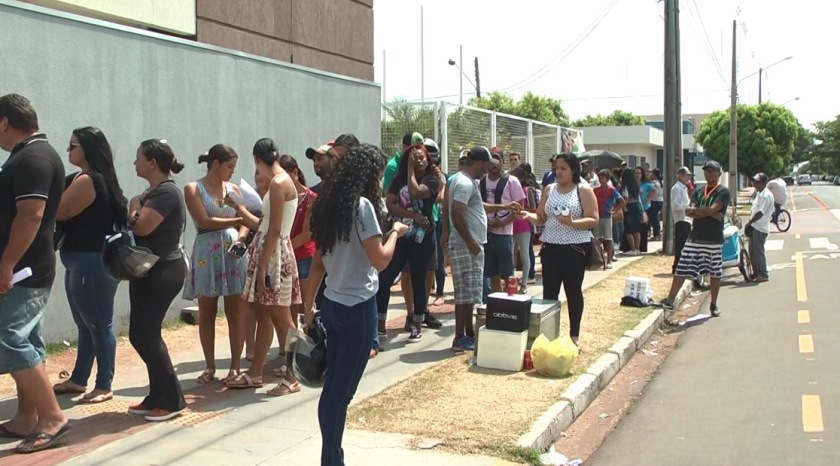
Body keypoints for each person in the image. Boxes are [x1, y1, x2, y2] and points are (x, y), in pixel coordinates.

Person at [303, 143, 408, 466]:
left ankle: (331, 457)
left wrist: (308, 308)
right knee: (340, 394)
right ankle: (332, 461)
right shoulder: (361, 206)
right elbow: (379, 260)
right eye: (378, 175)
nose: (380, 181)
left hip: (331, 303)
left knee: (332, 389)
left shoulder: (327, 204)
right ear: (368, 174)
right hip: (357, 307)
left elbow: (318, 263)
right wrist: (396, 234)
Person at [0, 93, 69, 453]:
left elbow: (31, 216)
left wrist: (6, 264)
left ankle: (53, 416)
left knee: (11, 339)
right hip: (25, 267)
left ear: (5, 122)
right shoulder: (28, 156)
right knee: (27, 340)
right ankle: (27, 417)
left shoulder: (34, 158)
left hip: (24, 269)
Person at [53, 127, 127, 404]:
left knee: (98, 324)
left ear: (87, 148)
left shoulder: (87, 180)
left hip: (90, 261)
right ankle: (79, 378)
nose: (68, 151)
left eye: (72, 146)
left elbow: (61, 210)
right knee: (86, 325)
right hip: (82, 260)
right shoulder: (94, 178)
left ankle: (104, 384)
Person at [226, 138, 302, 397]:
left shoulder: (279, 184)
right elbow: (265, 224)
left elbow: (275, 230)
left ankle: (293, 376)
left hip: (274, 256)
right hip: (269, 251)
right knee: (264, 314)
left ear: (257, 159)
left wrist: (262, 270)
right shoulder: (278, 183)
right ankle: (256, 371)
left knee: (283, 318)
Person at [127, 139, 188, 422]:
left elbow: (140, 226)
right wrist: (136, 202)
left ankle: (172, 400)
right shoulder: (154, 192)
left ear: (152, 163)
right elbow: (136, 211)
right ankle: (156, 395)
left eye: (139, 158)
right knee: (143, 334)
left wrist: (134, 205)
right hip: (148, 269)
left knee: (145, 335)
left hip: (164, 270)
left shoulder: (166, 193)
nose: (135, 163)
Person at [183, 144, 248, 384]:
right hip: (206, 252)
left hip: (233, 251)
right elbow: (203, 220)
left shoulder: (234, 189)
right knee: (207, 311)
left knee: (236, 311)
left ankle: (235, 366)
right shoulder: (193, 188)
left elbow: (247, 219)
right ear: (215, 164)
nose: (232, 172)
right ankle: (209, 366)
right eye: (229, 166)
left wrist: (241, 236)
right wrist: (239, 218)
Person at [519, 152, 598, 347]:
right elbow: (541, 217)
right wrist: (526, 215)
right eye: (556, 168)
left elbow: (593, 219)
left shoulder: (583, 190)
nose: (559, 172)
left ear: (573, 170)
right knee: (549, 293)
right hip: (551, 247)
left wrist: (573, 222)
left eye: (563, 169)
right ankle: (548, 335)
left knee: (573, 291)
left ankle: (574, 335)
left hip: (575, 247)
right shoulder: (549, 189)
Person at [378, 143, 440, 342]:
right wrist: (411, 214)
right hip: (403, 234)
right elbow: (390, 204)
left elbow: (415, 192)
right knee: (385, 277)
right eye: (414, 158)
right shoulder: (399, 179)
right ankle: (380, 324)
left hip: (423, 236)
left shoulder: (432, 178)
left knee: (419, 279)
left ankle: (417, 323)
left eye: (422, 157)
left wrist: (412, 170)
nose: (419, 160)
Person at [662, 160, 731, 317]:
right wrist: (710, 213)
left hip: (713, 239)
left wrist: (703, 211)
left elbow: (711, 209)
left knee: (715, 272)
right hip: (695, 237)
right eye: (707, 171)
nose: (709, 173)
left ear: (719, 173)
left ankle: (713, 304)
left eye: (712, 171)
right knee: (681, 267)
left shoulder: (723, 192)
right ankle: (670, 300)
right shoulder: (698, 191)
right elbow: (688, 210)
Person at [441, 146, 491, 351]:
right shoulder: (463, 182)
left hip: (468, 244)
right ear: (480, 163)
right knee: (464, 293)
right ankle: (460, 336)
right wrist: (470, 240)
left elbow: (468, 209)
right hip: (465, 245)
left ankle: (468, 332)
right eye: (486, 165)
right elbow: (457, 213)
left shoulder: (464, 181)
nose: (487, 170)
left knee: (470, 293)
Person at [481, 150, 524, 296]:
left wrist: (503, 222)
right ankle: (497, 302)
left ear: (502, 162)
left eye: (497, 160)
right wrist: (485, 222)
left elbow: (519, 207)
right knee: (492, 273)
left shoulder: (512, 181)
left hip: (504, 234)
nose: (494, 164)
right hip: (486, 233)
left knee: (508, 274)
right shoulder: (480, 182)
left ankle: (512, 301)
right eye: (491, 161)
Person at [510, 166, 539, 293]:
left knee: (524, 254)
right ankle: (510, 282)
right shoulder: (509, 188)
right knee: (510, 254)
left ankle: (524, 283)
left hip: (523, 225)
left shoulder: (527, 190)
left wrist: (521, 210)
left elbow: (533, 207)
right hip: (510, 224)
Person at [745, 173, 774, 283]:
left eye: (757, 182)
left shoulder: (766, 195)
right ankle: (756, 272)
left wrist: (749, 222)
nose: (755, 184)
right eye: (754, 182)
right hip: (755, 226)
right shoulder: (759, 193)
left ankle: (763, 274)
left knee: (758, 251)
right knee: (752, 251)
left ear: (764, 183)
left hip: (760, 227)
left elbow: (760, 213)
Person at [593, 169, 624, 268]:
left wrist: (614, 211)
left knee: (608, 239)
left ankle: (609, 260)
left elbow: (622, 201)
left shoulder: (612, 190)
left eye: (603, 178)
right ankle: (599, 259)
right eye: (600, 178)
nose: (601, 180)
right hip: (598, 216)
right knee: (597, 239)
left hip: (607, 216)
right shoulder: (595, 190)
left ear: (607, 179)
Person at [671, 167, 693, 274]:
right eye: (686, 175)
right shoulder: (677, 188)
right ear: (680, 176)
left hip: (686, 219)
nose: (688, 178)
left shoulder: (684, 188)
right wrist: (686, 207)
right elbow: (675, 205)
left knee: (685, 245)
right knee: (681, 245)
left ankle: (683, 267)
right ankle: (677, 267)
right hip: (681, 220)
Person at [620, 167, 643, 255]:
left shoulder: (625, 185)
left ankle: (632, 249)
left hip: (629, 207)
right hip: (637, 206)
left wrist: (624, 207)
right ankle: (637, 249)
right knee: (637, 229)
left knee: (628, 230)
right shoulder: (636, 184)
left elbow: (625, 197)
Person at [647, 168, 664, 240]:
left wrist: (649, 198)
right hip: (661, 200)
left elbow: (651, 191)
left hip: (654, 201)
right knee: (655, 217)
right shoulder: (662, 182)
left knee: (653, 218)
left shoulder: (653, 183)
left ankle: (656, 234)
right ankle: (657, 234)